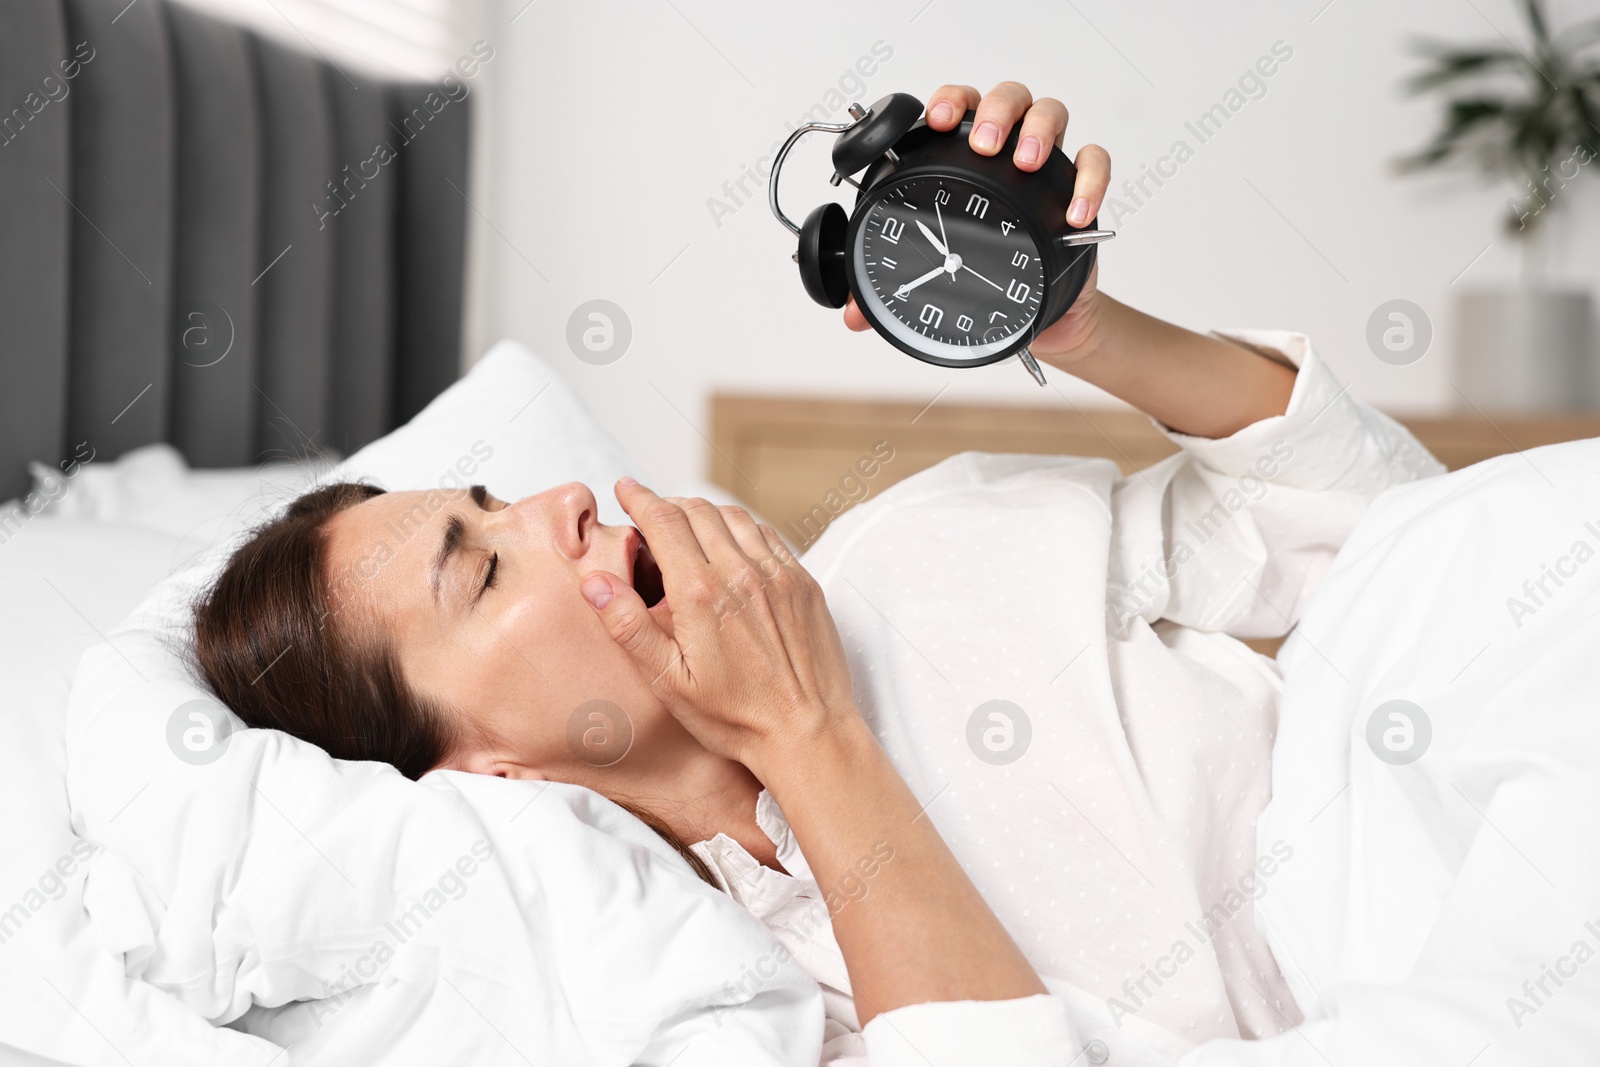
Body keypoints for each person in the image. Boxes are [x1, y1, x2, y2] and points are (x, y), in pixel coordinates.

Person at [192, 82, 1446, 1065]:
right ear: (482, 765)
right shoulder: (704, 991)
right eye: (479, 570)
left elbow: (1388, 529)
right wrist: (806, 733)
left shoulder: (922, 546)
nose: (556, 500)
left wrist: (1081, 325)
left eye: (492, 500)